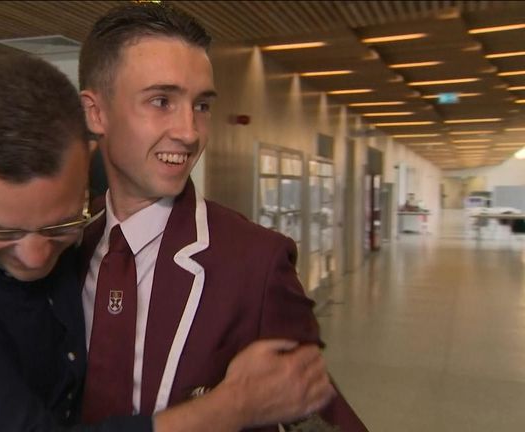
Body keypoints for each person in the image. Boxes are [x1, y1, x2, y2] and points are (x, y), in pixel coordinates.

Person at [0, 52, 334, 431]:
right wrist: (229, 409)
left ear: (88, 161)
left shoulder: (251, 258)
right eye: (0, 231)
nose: (36, 256)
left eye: (63, 224)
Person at [76, 4, 366, 430]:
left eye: (202, 106)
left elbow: (321, 413)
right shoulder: (64, 246)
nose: (190, 132)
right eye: (162, 101)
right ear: (96, 112)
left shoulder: (255, 262)